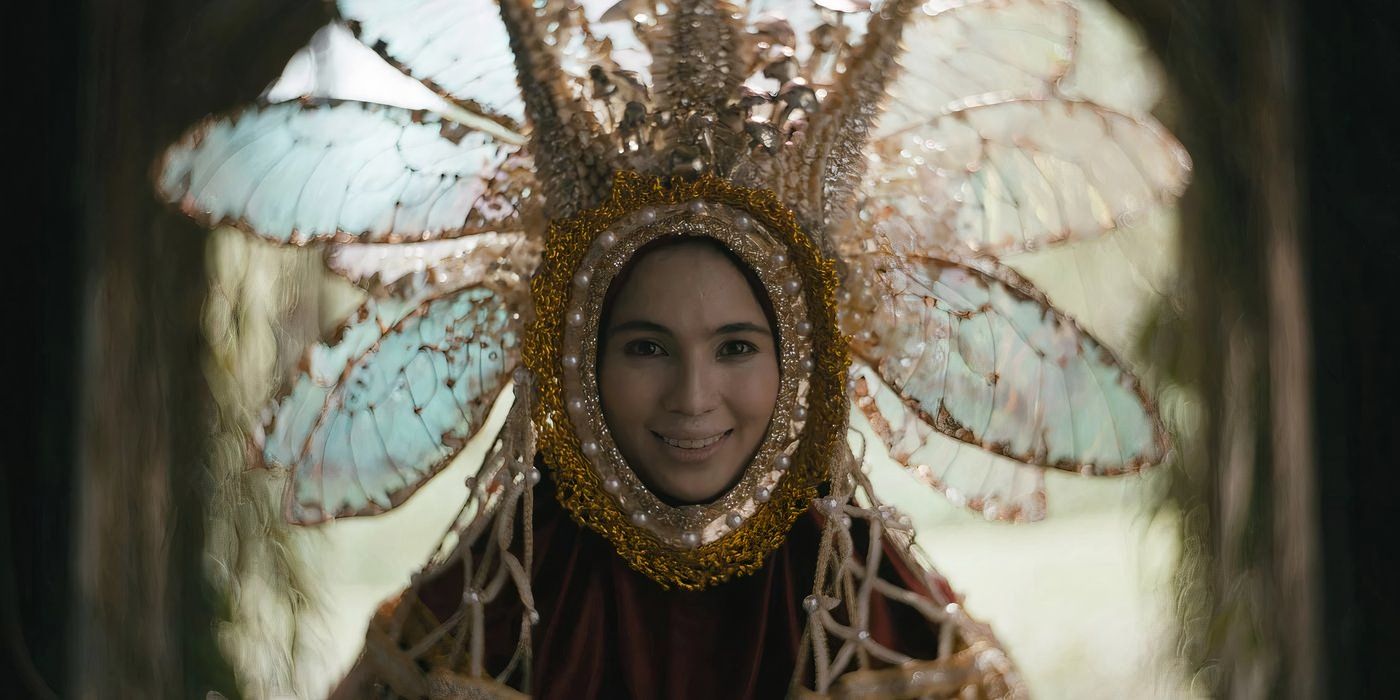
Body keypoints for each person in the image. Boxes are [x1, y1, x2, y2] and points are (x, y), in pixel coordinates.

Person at [156, 0, 1186, 697]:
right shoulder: (462, 635)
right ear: (575, 359)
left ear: (802, 363)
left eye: (736, 345)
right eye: (646, 347)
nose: (694, 398)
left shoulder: (889, 632)